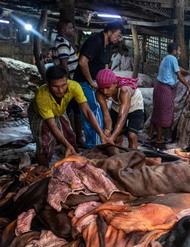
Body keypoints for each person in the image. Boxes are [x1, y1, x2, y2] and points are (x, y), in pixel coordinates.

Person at [28, 66, 108, 167]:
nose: (60, 90)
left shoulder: (74, 86)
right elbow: (52, 125)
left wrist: (101, 134)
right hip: (39, 114)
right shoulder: (41, 96)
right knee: (44, 145)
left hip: (59, 111)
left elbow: (87, 111)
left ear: (67, 80)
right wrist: (67, 145)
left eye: (63, 85)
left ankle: (72, 169)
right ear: (47, 84)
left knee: (70, 137)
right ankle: (44, 172)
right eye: (55, 86)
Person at [73, 21, 125, 148]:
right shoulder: (95, 41)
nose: (118, 39)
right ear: (110, 31)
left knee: (96, 113)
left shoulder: (108, 47)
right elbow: (82, 62)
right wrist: (91, 81)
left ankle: (93, 144)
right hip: (86, 83)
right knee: (94, 113)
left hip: (96, 84)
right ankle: (95, 147)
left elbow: (105, 67)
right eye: (118, 35)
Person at [148, 42, 190, 145]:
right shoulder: (172, 58)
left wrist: (188, 72)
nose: (180, 52)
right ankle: (159, 139)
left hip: (159, 87)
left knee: (157, 111)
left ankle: (150, 135)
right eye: (179, 50)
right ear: (174, 51)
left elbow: (178, 68)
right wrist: (189, 86)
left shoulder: (167, 58)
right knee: (162, 114)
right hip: (164, 89)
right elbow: (179, 76)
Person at [51, 19, 85, 148]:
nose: (73, 30)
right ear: (64, 29)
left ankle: (69, 137)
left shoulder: (59, 42)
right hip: (68, 82)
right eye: (71, 27)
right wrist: (68, 83)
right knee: (75, 111)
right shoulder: (63, 43)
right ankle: (77, 138)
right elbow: (64, 64)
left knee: (69, 111)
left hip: (67, 81)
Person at [95, 69, 144, 149]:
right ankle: (118, 158)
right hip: (117, 106)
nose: (105, 92)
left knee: (132, 136)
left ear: (115, 84)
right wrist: (108, 129)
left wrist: (111, 139)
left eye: (108, 88)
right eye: (102, 88)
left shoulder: (124, 91)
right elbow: (106, 114)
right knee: (118, 138)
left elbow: (122, 117)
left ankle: (133, 157)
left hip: (135, 105)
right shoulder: (99, 93)